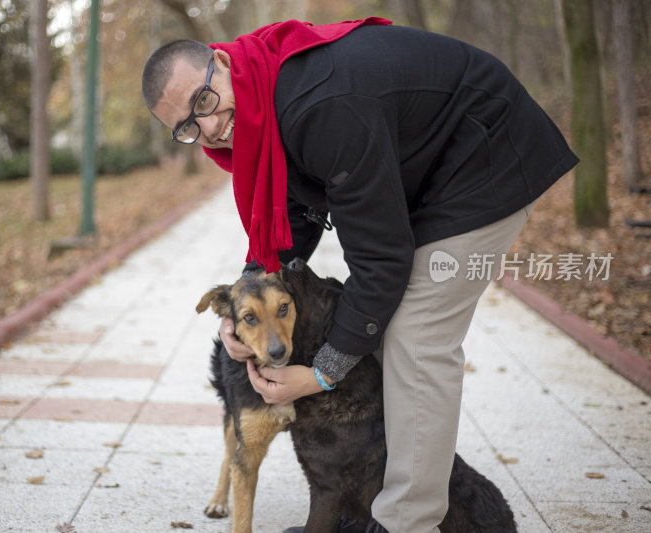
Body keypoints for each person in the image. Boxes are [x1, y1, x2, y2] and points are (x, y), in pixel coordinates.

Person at [142, 17, 577, 533]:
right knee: (377, 326)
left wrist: (323, 372)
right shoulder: (264, 95)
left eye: (204, 102)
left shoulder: (321, 108)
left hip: (486, 158)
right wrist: (240, 310)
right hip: (425, 172)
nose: (209, 129)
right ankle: (392, 490)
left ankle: (404, 522)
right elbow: (294, 211)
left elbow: (380, 260)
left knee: (417, 335)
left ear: (221, 62)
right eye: (188, 127)